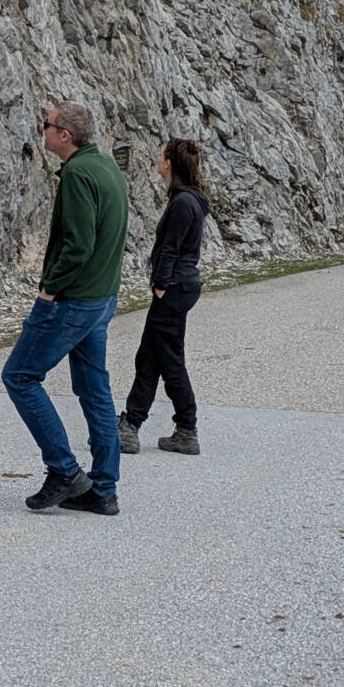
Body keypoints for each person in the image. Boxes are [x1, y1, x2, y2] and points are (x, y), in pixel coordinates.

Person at [0, 102, 130, 515]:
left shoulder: (77, 173)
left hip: (73, 300)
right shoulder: (106, 166)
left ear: (64, 135)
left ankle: (64, 470)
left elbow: (78, 244)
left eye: (47, 125)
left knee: (19, 376)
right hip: (102, 298)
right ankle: (103, 489)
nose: (42, 130)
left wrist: (49, 290)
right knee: (95, 390)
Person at [121, 138, 209, 457]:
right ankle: (131, 425)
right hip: (179, 287)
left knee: (168, 360)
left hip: (173, 288)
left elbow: (171, 247)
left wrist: (160, 284)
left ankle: (185, 429)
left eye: (160, 156)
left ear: (169, 162)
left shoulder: (183, 203)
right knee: (151, 357)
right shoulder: (187, 199)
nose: (157, 161)